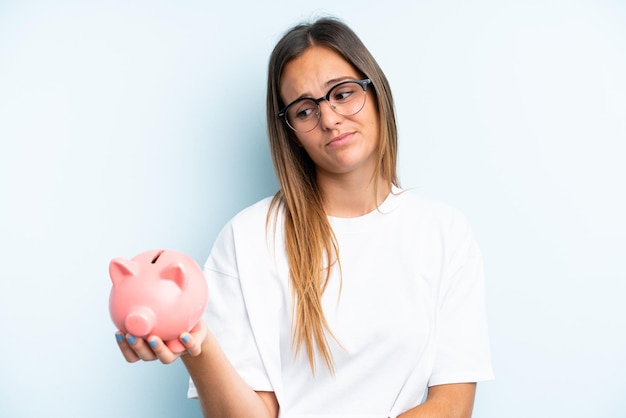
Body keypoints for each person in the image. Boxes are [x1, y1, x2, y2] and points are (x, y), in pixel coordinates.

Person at [116, 16, 494, 417]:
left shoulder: (443, 233)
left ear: (376, 90)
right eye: (304, 110)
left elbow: (452, 406)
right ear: (291, 130)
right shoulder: (247, 239)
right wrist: (197, 342)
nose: (329, 119)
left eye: (343, 94)